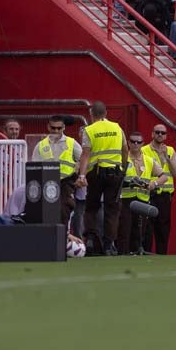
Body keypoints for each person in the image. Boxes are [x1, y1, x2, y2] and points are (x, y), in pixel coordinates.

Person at [77, 101, 128, 257]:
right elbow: (125, 149)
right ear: (106, 113)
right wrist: (123, 168)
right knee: (112, 210)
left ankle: (91, 239)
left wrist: (82, 175)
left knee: (91, 207)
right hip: (115, 172)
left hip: (96, 172)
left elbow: (85, 154)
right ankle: (108, 244)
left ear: (91, 115)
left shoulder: (89, 130)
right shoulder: (117, 127)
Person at [31, 115, 83, 231]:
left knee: (63, 209)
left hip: (66, 182)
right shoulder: (41, 145)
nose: (56, 131)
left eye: (59, 128)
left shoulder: (71, 143)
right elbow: (34, 166)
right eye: (53, 128)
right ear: (48, 127)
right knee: (45, 213)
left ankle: (63, 236)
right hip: (45, 182)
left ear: (64, 127)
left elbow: (84, 159)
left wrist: (80, 173)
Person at [119, 131, 167, 254]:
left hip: (142, 199)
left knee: (139, 231)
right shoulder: (122, 158)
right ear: (128, 143)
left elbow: (164, 176)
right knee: (124, 230)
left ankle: (136, 254)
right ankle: (123, 254)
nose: (135, 144)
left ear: (142, 144)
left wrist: (154, 184)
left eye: (138, 142)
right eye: (133, 141)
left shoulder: (149, 160)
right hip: (125, 199)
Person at [142, 124, 176, 254]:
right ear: (152, 134)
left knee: (163, 228)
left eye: (163, 133)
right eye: (157, 132)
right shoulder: (145, 150)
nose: (160, 135)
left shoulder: (171, 151)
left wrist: (166, 159)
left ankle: (162, 254)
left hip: (165, 195)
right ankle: (146, 253)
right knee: (147, 227)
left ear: (166, 135)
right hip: (150, 192)